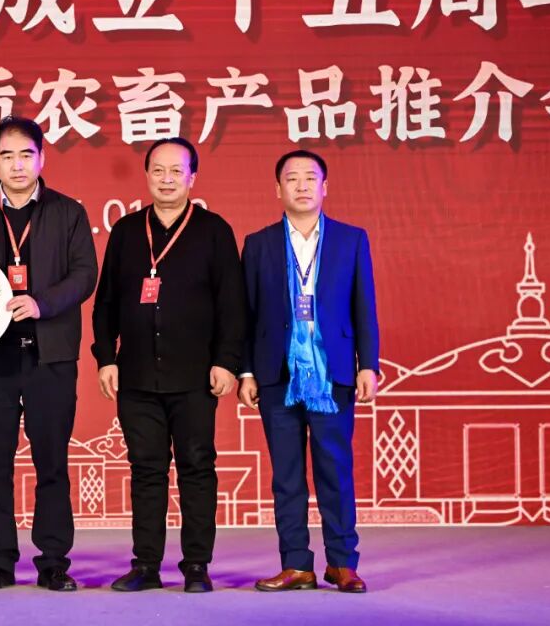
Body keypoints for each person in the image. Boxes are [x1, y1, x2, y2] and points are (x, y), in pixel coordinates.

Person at [91, 136, 246, 593]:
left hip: (195, 376)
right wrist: (106, 358)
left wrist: (226, 362)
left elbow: (232, 305)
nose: (166, 179)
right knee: (146, 471)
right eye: (158, 170)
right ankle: (146, 565)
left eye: (177, 171)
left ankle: (196, 565)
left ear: (192, 177)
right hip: (137, 375)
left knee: (197, 468)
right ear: (146, 175)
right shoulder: (126, 231)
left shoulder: (214, 231)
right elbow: (105, 303)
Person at [0, 116, 98, 592]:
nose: (17, 165)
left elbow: (84, 274)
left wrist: (41, 303)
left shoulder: (68, 212)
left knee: (52, 462)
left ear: (42, 157)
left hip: (50, 356)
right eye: (7, 155)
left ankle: (53, 561)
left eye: (26, 155)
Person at [239, 149, 379, 594]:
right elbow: (246, 314)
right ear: (277, 188)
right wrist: (246, 372)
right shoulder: (258, 244)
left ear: (325, 187)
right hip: (276, 373)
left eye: (310, 177)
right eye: (291, 178)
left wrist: (368, 365)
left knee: (335, 470)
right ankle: (296, 564)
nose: (301, 186)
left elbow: (364, 307)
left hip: (332, 374)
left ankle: (342, 563)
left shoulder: (351, 239)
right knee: (286, 476)